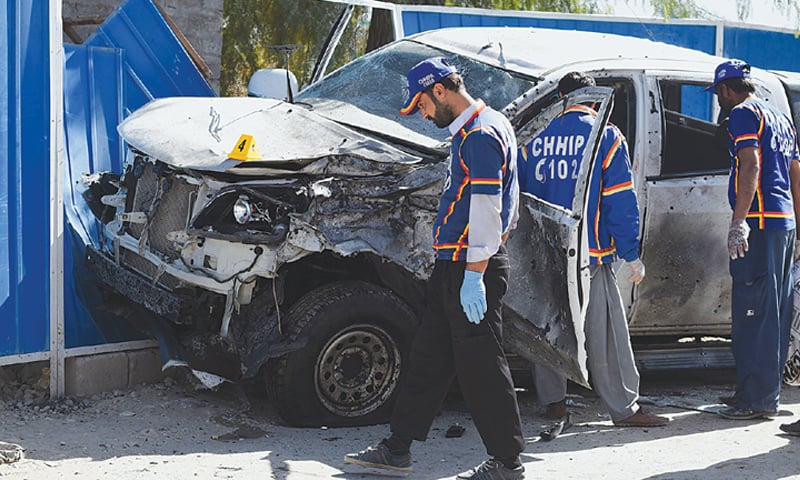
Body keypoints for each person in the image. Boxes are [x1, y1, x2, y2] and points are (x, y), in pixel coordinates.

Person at [344, 57, 525, 479]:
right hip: (455, 266)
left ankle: (508, 464)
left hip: (471, 267)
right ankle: (397, 449)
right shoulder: (481, 127)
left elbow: (489, 208)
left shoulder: (480, 134)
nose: (423, 115)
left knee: (481, 367)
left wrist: (477, 273)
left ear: (439, 90)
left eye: (422, 105)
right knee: (428, 358)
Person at [519, 71, 668, 428]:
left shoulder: (533, 136)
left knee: (548, 329)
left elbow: (518, 199)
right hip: (591, 255)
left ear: (561, 97)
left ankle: (554, 403)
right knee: (606, 335)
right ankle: (625, 409)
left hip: (545, 253)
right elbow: (620, 200)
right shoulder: (605, 134)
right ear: (591, 95)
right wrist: (630, 253)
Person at [707, 59, 800, 420]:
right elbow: (795, 173)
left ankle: (757, 400)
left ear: (727, 90)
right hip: (783, 225)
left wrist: (738, 222)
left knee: (753, 312)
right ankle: (758, 391)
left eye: (718, 93)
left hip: (759, 225)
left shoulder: (743, 114)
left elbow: (751, 164)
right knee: (773, 312)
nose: (718, 100)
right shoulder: (779, 117)